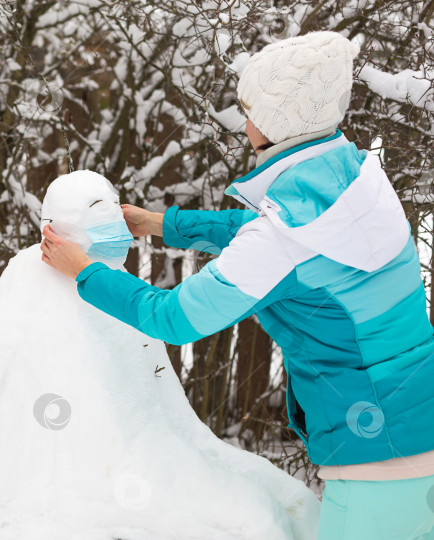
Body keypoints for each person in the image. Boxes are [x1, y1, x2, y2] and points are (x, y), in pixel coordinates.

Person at [40, 31, 434, 540]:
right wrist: (162, 224)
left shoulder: (285, 236)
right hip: (416, 420)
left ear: (274, 124)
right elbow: (271, 236)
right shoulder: (353, 179)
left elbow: (174, 318)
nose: (243, 121)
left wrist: (86, 271)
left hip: (381, 458)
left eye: (249, 109)